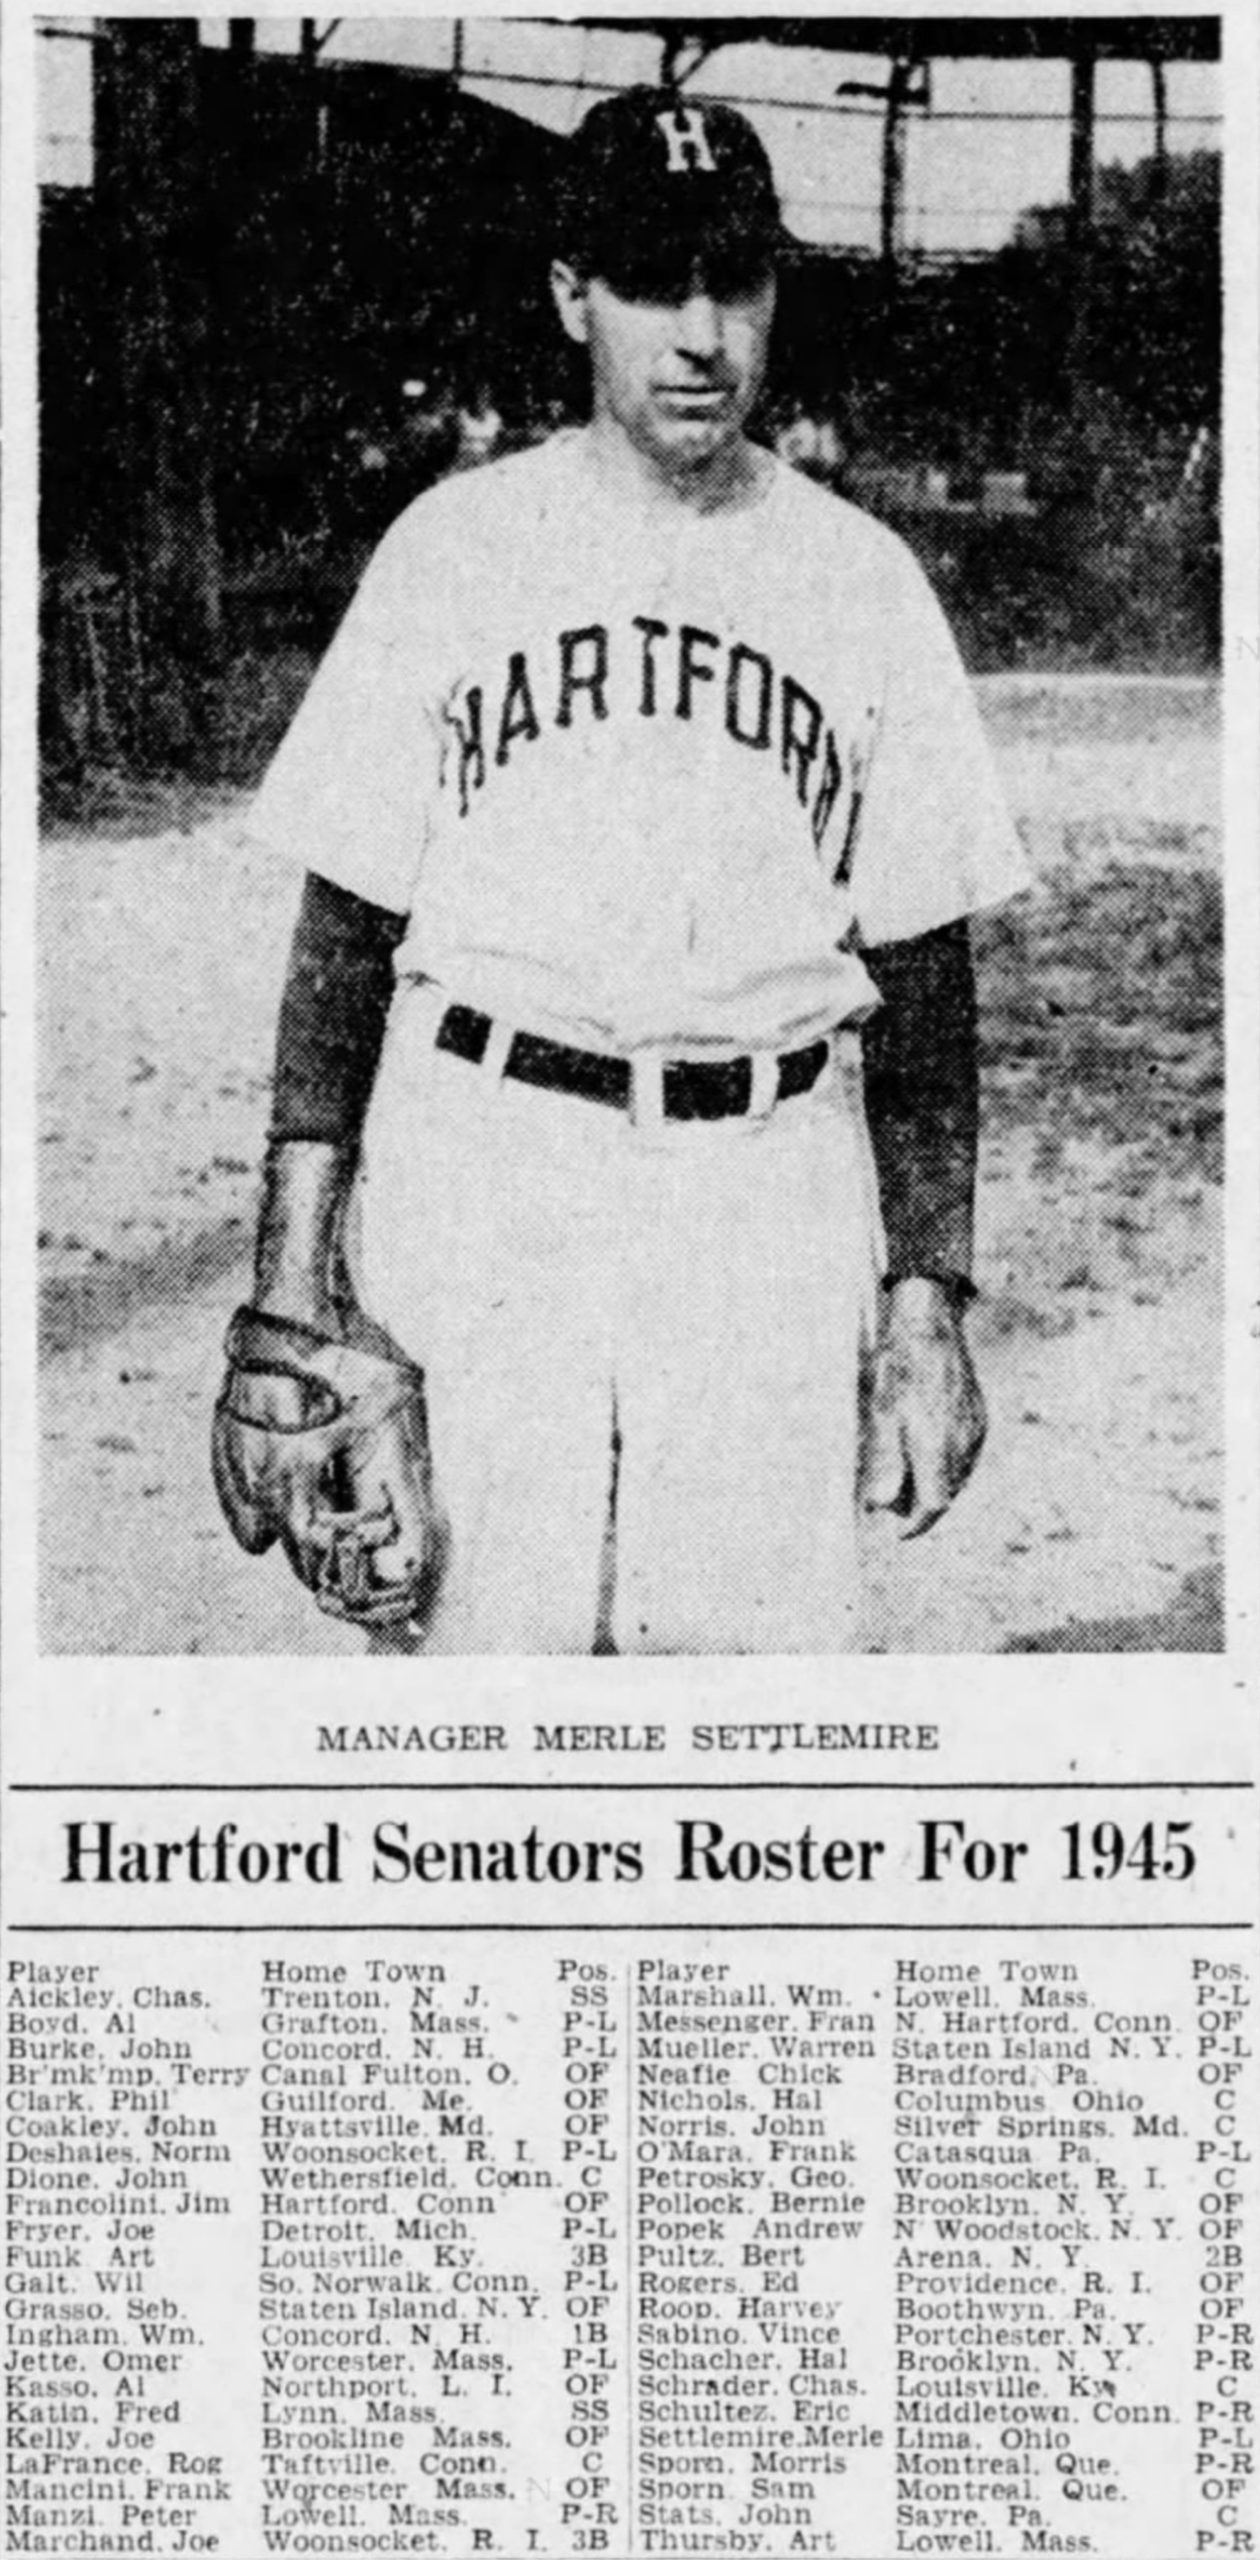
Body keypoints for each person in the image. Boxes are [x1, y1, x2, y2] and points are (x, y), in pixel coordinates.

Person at [213, 87, 1031, 1655]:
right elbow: (342, 945)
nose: (702, 334)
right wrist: (286, 1298)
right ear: (571, 292)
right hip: (487, 1179)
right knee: (475, 1693)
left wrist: (927, 1300)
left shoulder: (863, 583)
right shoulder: (452, 550)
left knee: (746, 1714)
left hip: (766, 1194)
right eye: (656, 283)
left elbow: (930, 983)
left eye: (737, 280)